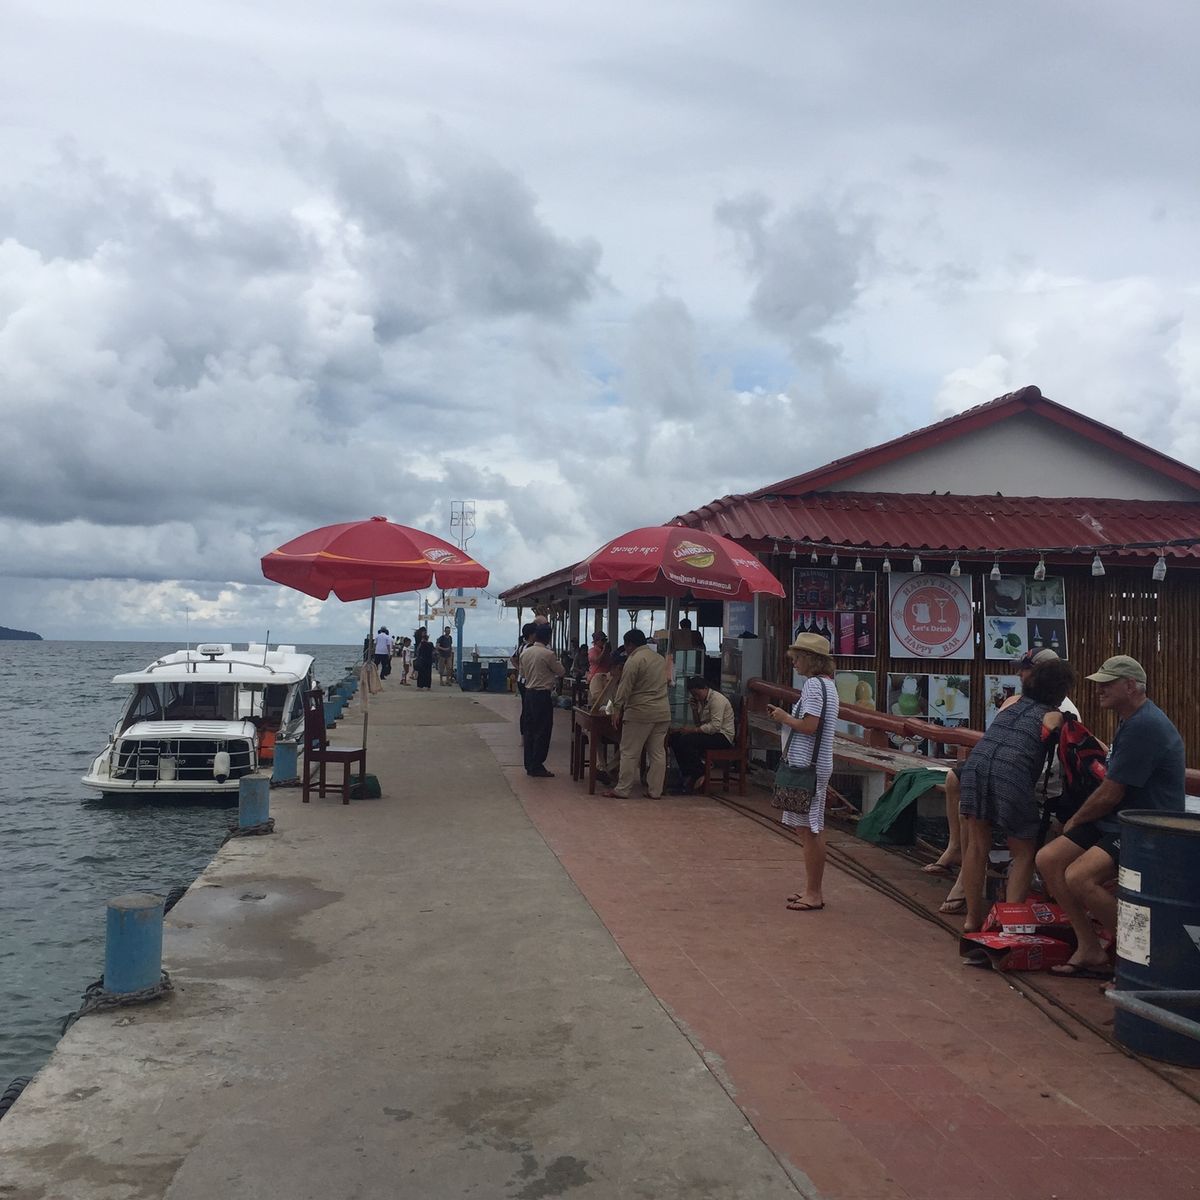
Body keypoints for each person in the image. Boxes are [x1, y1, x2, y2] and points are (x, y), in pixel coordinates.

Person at [1036, 655, 1186, 979]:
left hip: (1146, 825)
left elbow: (1111, 791)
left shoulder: (1145, 725)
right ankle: (1089, 947)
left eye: (1107, 683)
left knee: (1079, 876)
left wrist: (1075, 820)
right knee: (1048, 859)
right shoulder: (1130, 718)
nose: (1098, 689)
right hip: (1117, 819)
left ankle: (1143, 958)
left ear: (1130, 686)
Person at [931, 648, 1077, 914]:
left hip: (977, 766)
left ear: (1033, 679)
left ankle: (972, 920)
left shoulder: (1012, 703)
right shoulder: (1059, 716)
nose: (1020, 674)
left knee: (976, 845)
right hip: (1014, 776)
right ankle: (1011, 925)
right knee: (1024, 851)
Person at [765, 632, 839, 912]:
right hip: (813, 763)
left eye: (797, 658)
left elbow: (810, 726)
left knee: (811, 828)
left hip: (809, 765)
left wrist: (785, 718)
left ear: (810, 660)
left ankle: (814, 892)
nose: (794, 663)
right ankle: (811, 887)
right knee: (805, 826)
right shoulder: (827, 686)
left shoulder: (813, 687)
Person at [602, 630, 671, 800]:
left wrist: (616, 708)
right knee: (657, 753)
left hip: (640, 712)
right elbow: (668, 682)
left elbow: (625, 687)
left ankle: (622, 789)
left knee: (629, 751)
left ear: (630, 644)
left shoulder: (634, 660)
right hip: (662, 712)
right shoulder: (660, 658)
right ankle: (655, 791)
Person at [669, 677, 734, 793]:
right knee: (675, 738)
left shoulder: (717, 700)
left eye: (697, 694)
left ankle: (699, 772)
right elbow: (699, 723)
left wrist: (692, 730)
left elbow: (715, 726)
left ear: (705, 688)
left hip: (722, 736)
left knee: (687, 740)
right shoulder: (701, 701)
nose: (696, 697)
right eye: (694, 695)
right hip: (710, 734)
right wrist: (694, 710)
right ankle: (687, 773)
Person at [519, 625, 565, 777]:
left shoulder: (525, 653)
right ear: (548, 638)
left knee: (529, 730)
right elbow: (561, 671)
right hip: (542, 695)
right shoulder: (548, 654)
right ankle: (537, 764)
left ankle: (529, 763)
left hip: (529, 693)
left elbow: (523, 673)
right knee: (543, 730)